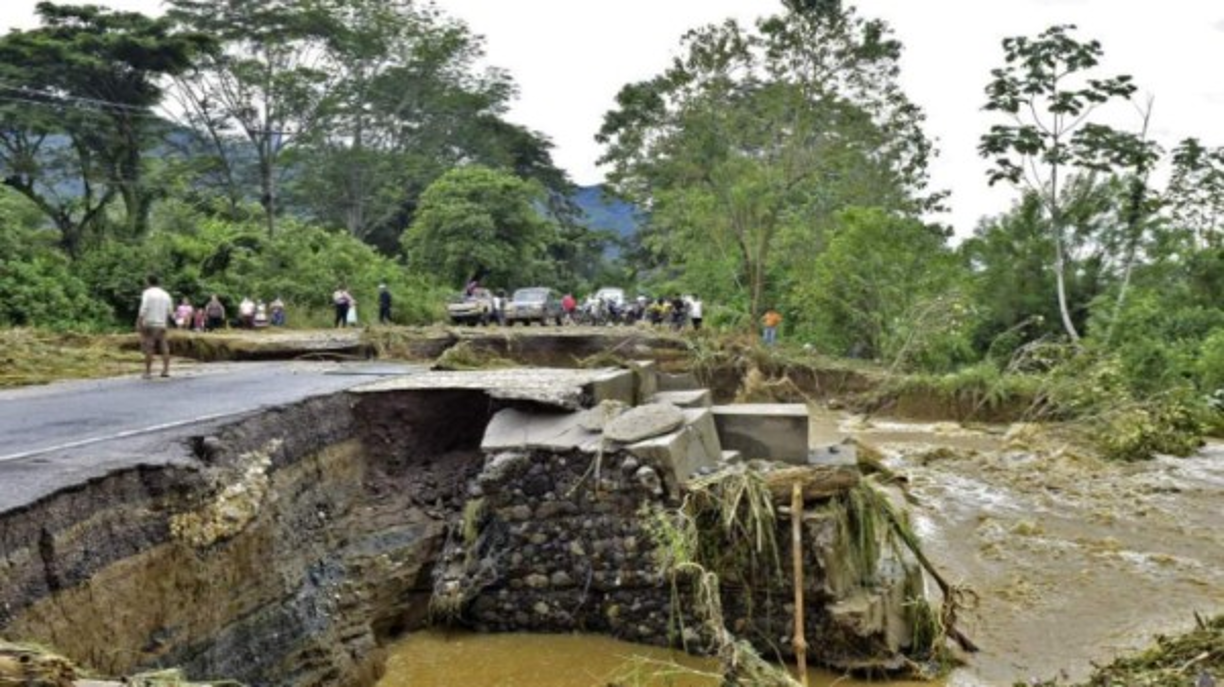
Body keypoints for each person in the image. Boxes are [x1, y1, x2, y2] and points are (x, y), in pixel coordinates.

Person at [137, 274, 173, 379]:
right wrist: (166, 323)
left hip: (150, 322)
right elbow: (170, 311)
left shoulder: (147, 293)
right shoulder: (166, 294)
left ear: (148, 282)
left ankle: (148, 372)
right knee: (164, 346)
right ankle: (165, 370)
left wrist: (139, 321)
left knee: (149, 346)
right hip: (162, 323)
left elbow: (144, 308)